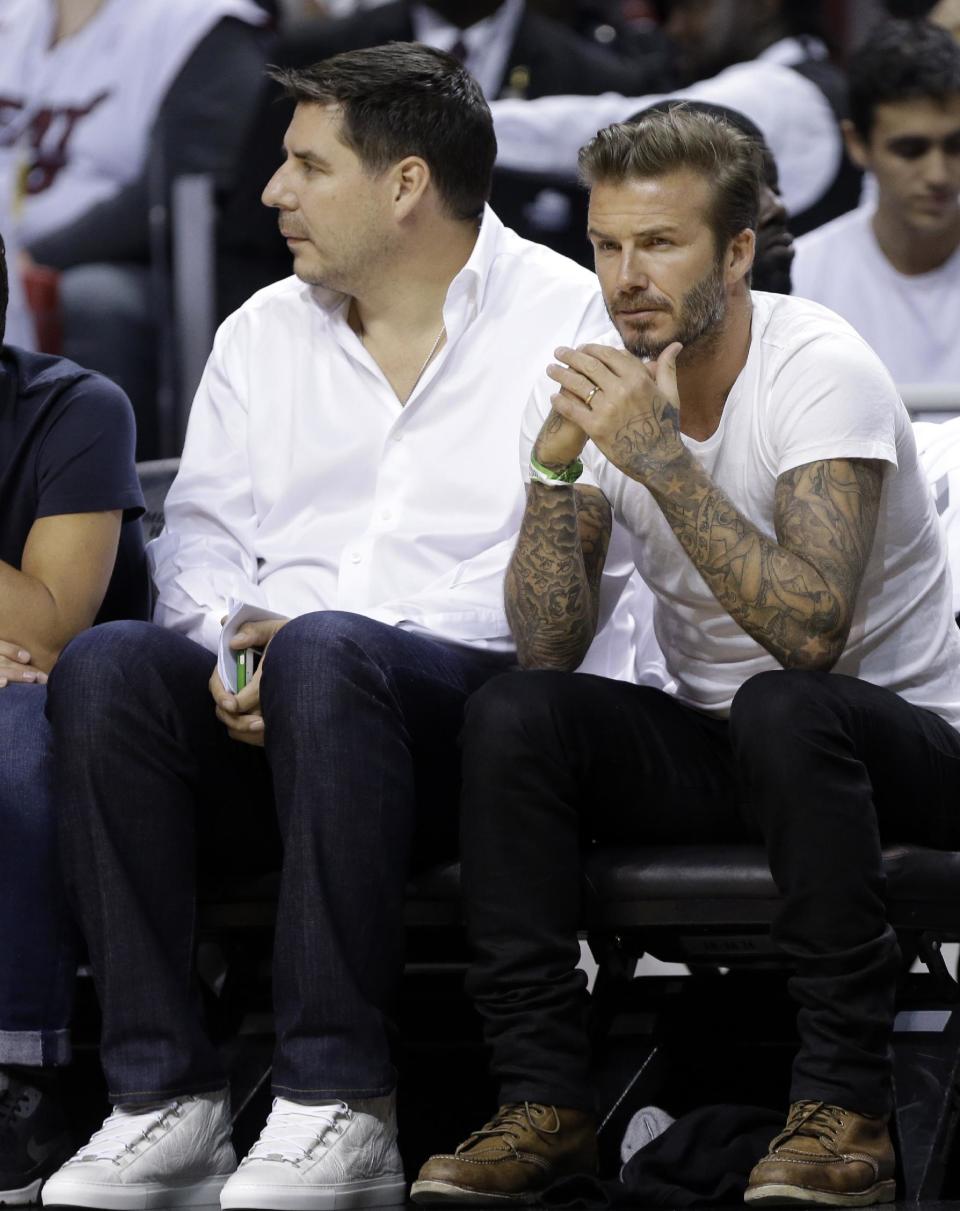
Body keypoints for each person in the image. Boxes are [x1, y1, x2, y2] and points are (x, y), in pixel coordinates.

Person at [40, 43, 630, 1211]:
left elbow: (564, 585)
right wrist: (237, 650)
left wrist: (314, 638)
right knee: (107, 663)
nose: (274, 192)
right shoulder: (262, 328)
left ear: (405, 185)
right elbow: (201, 543)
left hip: (473, 717)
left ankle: (337, 1101)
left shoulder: (570, 315)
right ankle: (166, 1098)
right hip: (274, 693)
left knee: (331, 647)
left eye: (307, 164)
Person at [412, 105, 960, 1206]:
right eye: (607, 245)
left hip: (896, 745)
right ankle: (543, 1104)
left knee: (785, 703)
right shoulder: (591, 380)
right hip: (727, 748)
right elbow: (549, 641)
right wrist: (555, 474)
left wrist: (661, 461)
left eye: (659, 244)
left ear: (739, 250)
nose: (625, 277)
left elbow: (813, 636)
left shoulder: (819, 366)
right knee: (520, 711)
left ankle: (845, 1105)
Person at [216, 0, 669, 316]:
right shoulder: (316, 53)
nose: (279, 189)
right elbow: (250, 241)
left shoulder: (594, 76)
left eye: (313, 166)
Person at [0, 231, 147, 1204]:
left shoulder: (75, 406)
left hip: (78, 714)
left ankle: (21, 1076)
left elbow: (47, 628)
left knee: (12, 732)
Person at [0, 0, 270, 457]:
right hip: (15, 250)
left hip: (103, 263)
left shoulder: (202, 22)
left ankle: (91, 495)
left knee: (94, 297)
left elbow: (177, 189)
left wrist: (37, 257)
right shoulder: (15, 18)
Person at [791, 20, 960, 388]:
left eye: (955, 146)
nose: (938, 174)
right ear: (857, 143)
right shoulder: (801, 279)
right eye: (910, 150)